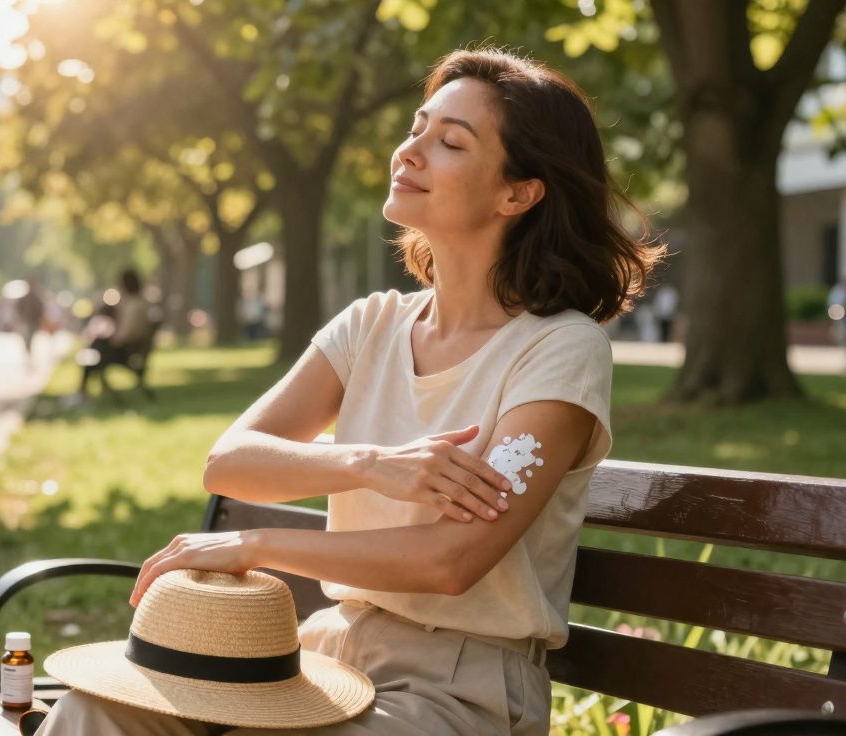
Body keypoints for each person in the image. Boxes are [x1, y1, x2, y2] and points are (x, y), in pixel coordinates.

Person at [38, 46, 662, 734]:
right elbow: (232, 461)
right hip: (321, 659)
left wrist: (253, 547)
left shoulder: (559, 348)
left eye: (450, 141)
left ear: (519, 192)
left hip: (456, 692)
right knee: (93, 709)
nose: (410, 151)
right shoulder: (373, 324)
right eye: (418, 126)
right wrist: (369, 463)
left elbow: (452, 561)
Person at [68, 268, 154, 403]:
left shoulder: (134, 306)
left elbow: (126, 334)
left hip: (126, 352)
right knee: (94, 350)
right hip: (130, 350)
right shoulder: (138, 303)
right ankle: (82, 391)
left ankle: (81, 392)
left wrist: (111, 337)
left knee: (94, 350)